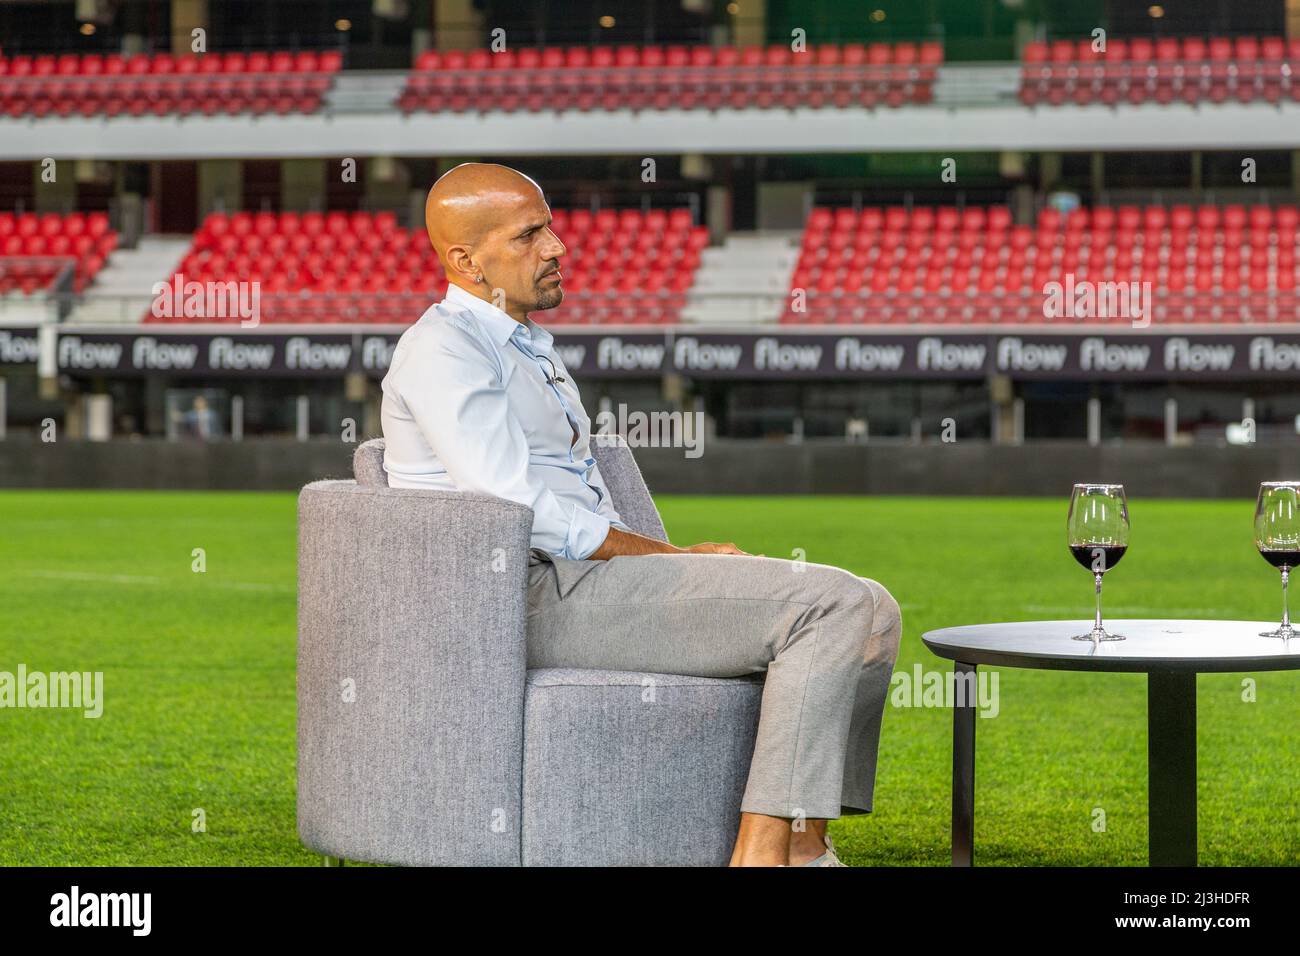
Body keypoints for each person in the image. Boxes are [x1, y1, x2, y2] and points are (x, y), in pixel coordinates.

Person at [380, 162, 902, 867]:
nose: (558, 246)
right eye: (531, 234)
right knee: (833, 601)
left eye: (551, 227)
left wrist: (670, 560)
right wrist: (673, 559)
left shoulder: (524, 342)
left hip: (575, 585)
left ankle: (808, 841)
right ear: (467, 261)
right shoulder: (444, 350)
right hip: (514, 600)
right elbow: (514, 510)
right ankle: (763, 853)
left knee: (874, 607)